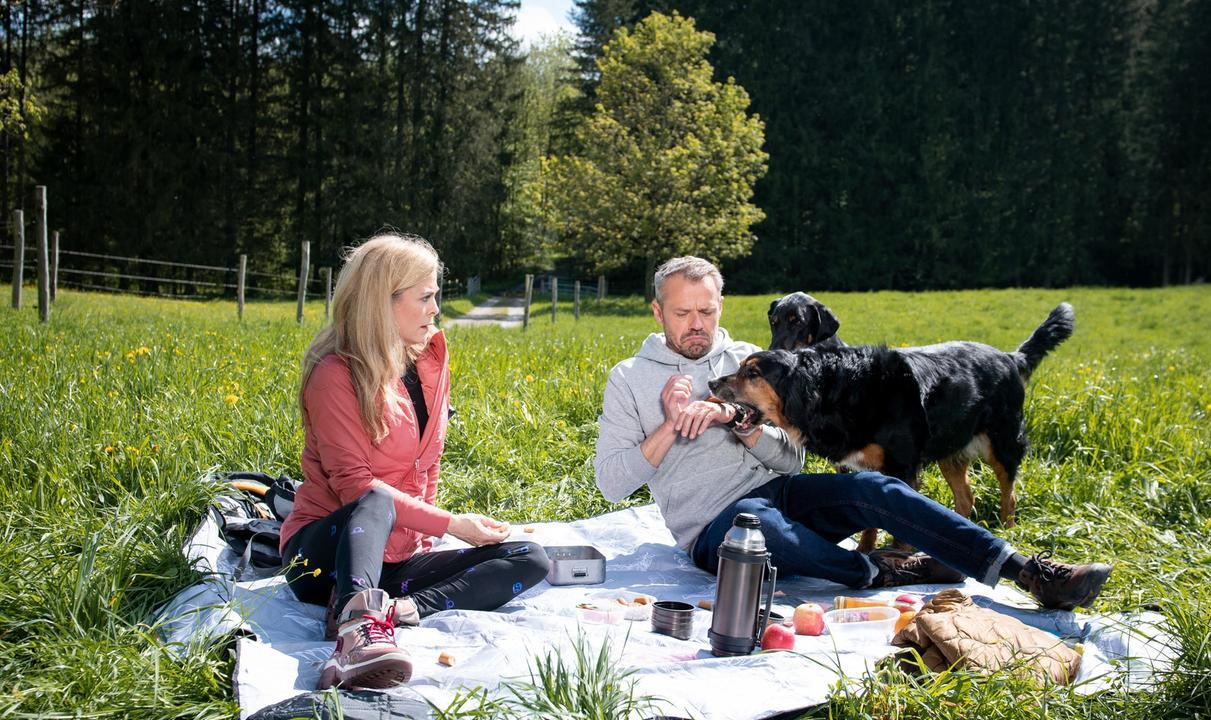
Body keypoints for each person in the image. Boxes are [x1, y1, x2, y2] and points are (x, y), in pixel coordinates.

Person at [594, 256, 1111, 610]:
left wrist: (743, 426)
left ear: (721, 307)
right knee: (757, 526)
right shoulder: (629, 378)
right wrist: (668, 427)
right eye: (682, 313)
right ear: (658, 311)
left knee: (876, 488)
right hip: (714, 529)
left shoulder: (749, 362)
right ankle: (879, 573)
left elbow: (791, 461)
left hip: (781, 495)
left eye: (706, 311)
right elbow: (611, 484)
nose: (697, 325)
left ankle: (1029, 573)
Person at [280, 233, 550, 690]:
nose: (435, 310)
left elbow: (429, 463)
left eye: (435, 297)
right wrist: (449, 524)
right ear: (382, 302)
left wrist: (425, 543)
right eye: (425, 297)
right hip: (323, 556)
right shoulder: (334, 375)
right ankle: (357, 633)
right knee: (374, 500)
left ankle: (394, 612)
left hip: (395, 562)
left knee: (531, 558)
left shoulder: (429, 361)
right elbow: (355, 489)